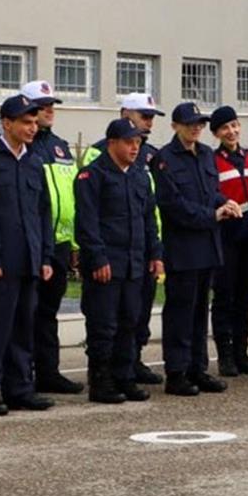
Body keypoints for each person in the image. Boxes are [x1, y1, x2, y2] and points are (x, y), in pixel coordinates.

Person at [0, 95, 55, 416]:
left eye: (34, 122)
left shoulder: (34, 161)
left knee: (23, 326)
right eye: (25, 122)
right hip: (1, 261)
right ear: (6, 123)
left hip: (29, 258)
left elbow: (43, 212)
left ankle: (19, 388)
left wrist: (45, 256)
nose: (32, 128)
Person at [151, 102, 241, 396]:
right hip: (183, 248)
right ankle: (177, 372)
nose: (196, 128)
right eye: (190, 123)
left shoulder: (204, 155)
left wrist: (224, 203)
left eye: (200, 123)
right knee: (181, 311)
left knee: (201, 311)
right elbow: (173, 204)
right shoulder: (165, 159)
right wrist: (211, 215)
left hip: (207, 246)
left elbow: (210, 192)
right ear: (175, 126)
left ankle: (197, 368)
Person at [74, 119, 163, 404]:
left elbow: (149, 219)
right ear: (112, 143)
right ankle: (101, 382)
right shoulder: (93, 175)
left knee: (130, 322)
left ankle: (125, 377)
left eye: (138, 142)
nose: (135, 148)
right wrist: (97, 258)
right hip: (107, 265)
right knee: (103, 326)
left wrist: (155, 254)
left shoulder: (139, 176)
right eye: (129, 142)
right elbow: (87, 223)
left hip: (134, 263)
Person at [22, 80, 84, 396]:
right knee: (26, 312)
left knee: (48, 313)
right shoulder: (22, 145)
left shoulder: (60, 146)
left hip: (59, 243)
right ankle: (22, 374)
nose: (48, 110)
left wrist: (73, 244)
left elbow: (70, 196)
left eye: (50, 105)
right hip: (31, 243)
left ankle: (48, 372)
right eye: (41, 106)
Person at [208, 106, 248, 377]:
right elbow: (212, 194)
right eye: (225, 128)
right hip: (227, 238)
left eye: (234, 125)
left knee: (246, 298)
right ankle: (225, 356)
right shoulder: (212, 161)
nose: (231, 131)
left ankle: (242, 353)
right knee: (225, 297)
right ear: (216, 133)